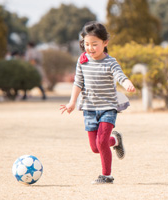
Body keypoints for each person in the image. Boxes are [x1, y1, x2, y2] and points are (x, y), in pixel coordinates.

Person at [60, 21, 136, 184]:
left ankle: (106, 175)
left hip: (108, 108)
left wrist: (127, 83)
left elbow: (120, 75)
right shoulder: (82, 61)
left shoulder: (111, 62)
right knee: (96, 148)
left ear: (105, 42)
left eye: (94, 44)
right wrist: (72, 102)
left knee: (101, 142)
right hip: (89, 108)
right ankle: (115, 140)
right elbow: (78, 82)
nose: (90, 48)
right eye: (87, 44)